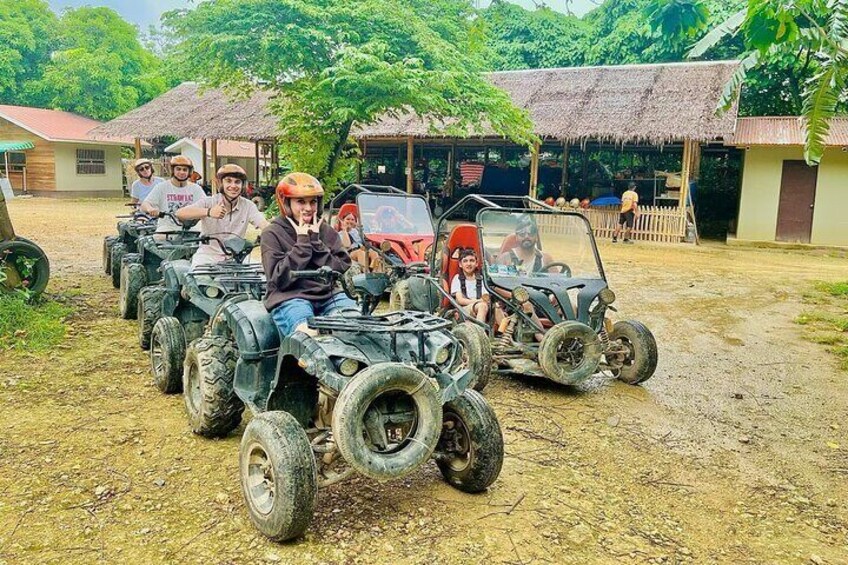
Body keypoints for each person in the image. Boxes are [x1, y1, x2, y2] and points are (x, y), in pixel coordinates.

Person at [261, 172, 356, 338]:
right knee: (308, 334)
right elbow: (279, 278)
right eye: (300, 201)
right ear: (286, 203)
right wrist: (303, 242)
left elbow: (340, 267)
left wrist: (316, 241)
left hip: (329, 296)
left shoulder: (325, 230)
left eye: (313, 202)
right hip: (290, 297)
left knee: (356, 327)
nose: (308, 208)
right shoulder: (272, 233)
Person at [175, 164, 269, 266]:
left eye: (237, 182)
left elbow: (262, 223)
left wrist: (272, 231)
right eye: (228, 181)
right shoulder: (209, 202)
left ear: (243, 185)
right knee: (200, 279)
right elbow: (180, 213)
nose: (233, 186)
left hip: (235, 258)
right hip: (207, 257)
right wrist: (209, 212)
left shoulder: (248, 205)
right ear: (220, 183)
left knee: (259, 277)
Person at [141, 155, 206, 234]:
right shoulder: (162, 187)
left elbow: (206, 204)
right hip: (167, 228)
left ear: (189, 172)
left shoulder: (196, 189)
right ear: (172, 170)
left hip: (192, 228)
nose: (182, 172)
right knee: (159, 238)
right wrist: (150, 209)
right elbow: (145, 204)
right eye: (178, 169)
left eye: (185, 170)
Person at [450, 248, 489, 323]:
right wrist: (477, 301)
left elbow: (486, 297)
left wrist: (482, 301)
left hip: (480, 307)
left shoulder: (481, 278)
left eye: (472, 260)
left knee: (497, 306)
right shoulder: (457, 278)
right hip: (464, 309)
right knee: (482, 306)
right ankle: (478, 332)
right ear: (460, 264)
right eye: (465, 261)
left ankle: (506, 333)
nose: (469, 264)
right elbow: (460, 300)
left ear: (476, 263)